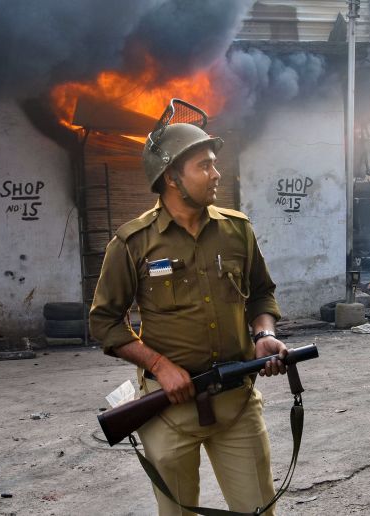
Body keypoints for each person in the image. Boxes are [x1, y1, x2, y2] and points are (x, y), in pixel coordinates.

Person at [90, 100, 286, 516]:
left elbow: (261, 294)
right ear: (171, 177)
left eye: (215, 164)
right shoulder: (133, 243)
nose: (216, 174)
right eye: (204, 166)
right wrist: (159, 365)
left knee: (258, 511)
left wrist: (264, 334)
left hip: (236, 404)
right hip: (168, 409)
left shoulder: (237, 230)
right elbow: (105, 321)